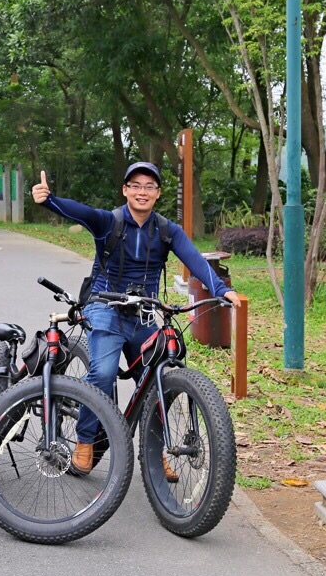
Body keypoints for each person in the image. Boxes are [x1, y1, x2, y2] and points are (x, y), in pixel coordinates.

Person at [31, 162, 242, 477]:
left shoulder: (167, 230)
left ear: (157, 194)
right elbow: (81, 212)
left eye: (149, 187)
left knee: (158, 378)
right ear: (125, 190)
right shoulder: (110, 222)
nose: (142, 192)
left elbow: (195, 260)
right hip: (104, 307)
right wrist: (48, 200)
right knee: (102, 373)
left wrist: (221, 290)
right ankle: (85, 441)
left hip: (142, 312)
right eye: (136, 185)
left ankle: (155, 450)